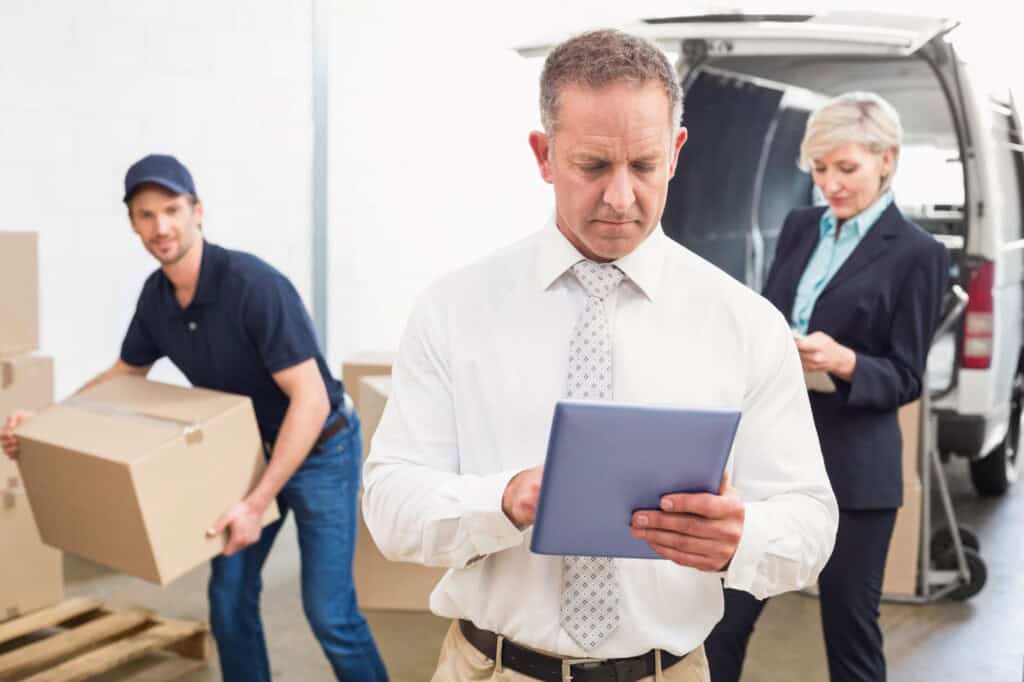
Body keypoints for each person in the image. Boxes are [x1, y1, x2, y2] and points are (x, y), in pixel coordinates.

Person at [361, 29, 838, 682]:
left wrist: (741, 539)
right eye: (592, 166)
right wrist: (501, 501)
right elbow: (391, 505)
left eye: (643, 165)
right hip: (491, 669)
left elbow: (810, 523)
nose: (619, 198)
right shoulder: (455, 310)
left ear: (675, 152)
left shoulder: (745, 325)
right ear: (544, 154)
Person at [0, 154, 388, 682]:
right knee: (228, 600)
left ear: (197, 211)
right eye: (145, 215)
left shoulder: (254, 286)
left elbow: (311, 400)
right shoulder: (156, 298)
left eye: (172, 210)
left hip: (321, 448)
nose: (161, 227)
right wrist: (45, 421)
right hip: (248, 451)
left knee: (329, 613)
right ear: (133, 223)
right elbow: (123, 375)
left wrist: (255, 503)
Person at [704, 92, 950, 682]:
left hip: (854, 475)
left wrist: (844, 361)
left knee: (850, 635)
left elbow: (908, 375)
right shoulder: (798, 228)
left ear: (885, 160)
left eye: (846, 168)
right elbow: (770, 316)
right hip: (771, 463)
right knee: (722, 623)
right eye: (819, 169)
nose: (830, 184)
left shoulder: (919, 253)